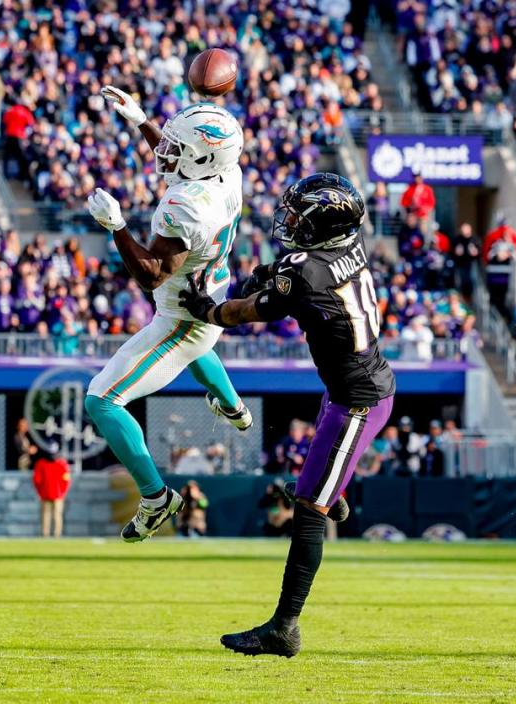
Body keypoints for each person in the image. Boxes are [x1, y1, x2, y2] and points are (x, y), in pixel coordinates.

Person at [179, 173, 396, 657]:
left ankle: (285, 627)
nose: (291, 222)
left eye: (301, 216)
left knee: (307, 511)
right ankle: (331, 492)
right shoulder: (344, 250)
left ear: (323, 225)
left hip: (356, 401)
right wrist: (268, 275)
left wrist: (205, 310)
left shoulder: (306, 269)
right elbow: (289, 275)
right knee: (315, 491)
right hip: (355, 389)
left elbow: (245, 312)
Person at [84, 88, 251, 543]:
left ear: (201, 158)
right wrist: (141, 121)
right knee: (203, 343)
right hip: (213, 291)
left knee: (100, 400)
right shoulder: (227, 173)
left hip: (182, 321)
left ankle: (156, 497)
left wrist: (116, 226)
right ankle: (233, 406)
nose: (165, 152)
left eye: (177, 148)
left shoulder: (185, 207)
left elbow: (152, 275)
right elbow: (184, 162)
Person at [32, 444, 71, 538]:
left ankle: (46, 535)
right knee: (56, 516)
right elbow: (66, 480)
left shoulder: (42, 464)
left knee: (47, 516)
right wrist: (63, 493)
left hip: (47, 494)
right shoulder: (61, 464)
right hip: (56, 495)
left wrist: (40, 492)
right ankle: (56, 535)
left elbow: (37, 480)